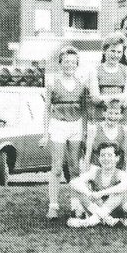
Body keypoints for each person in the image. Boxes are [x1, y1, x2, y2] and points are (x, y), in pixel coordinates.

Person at [44, 47, 87, 219]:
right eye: (66, 61)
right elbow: (47, 109)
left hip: (75, 125)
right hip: (58, 125)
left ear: (77, 64)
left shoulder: (81, 84)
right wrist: (45, 133)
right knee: (56, 167)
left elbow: (84, 110)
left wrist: (84, 133)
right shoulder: (52, 83)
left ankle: (75, 205)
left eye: (73, 62)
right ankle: (53, 206)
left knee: (75, 167)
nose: (69, 64)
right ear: (60, 63)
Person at [68, 142, 127, 228]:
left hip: (113, 210)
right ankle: (108, 220)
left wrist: (101, 193)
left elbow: (126, 185)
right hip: (94, 208)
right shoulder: (95, 171)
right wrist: (89, 194)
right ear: (99, 158)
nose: (106, 158)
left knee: (119, 192)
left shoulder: (120, 173)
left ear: (117, 158)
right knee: (80, 191)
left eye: (109, 155)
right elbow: (74, 182)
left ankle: (89, 222)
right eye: (103, 155)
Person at [88, 36, 127, 126]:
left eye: (119, 52)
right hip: (101, 116)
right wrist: (118, 98)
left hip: (123, 117)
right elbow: (95, 98)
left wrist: (105, 98)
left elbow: (126, 97)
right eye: (113, 51)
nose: (116, 55)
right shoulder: (94, 71)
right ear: (105, 51)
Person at [85, 101, 127, 172]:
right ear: (104, 113)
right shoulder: (94, 129)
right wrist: (85, 176)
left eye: (116, 113)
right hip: (97, 169)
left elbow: (126, 158)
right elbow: (88, 155)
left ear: (121, 115)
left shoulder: (124, 130)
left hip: (115, 170)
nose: (113, 117)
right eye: (110, 113)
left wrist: (126, 177)